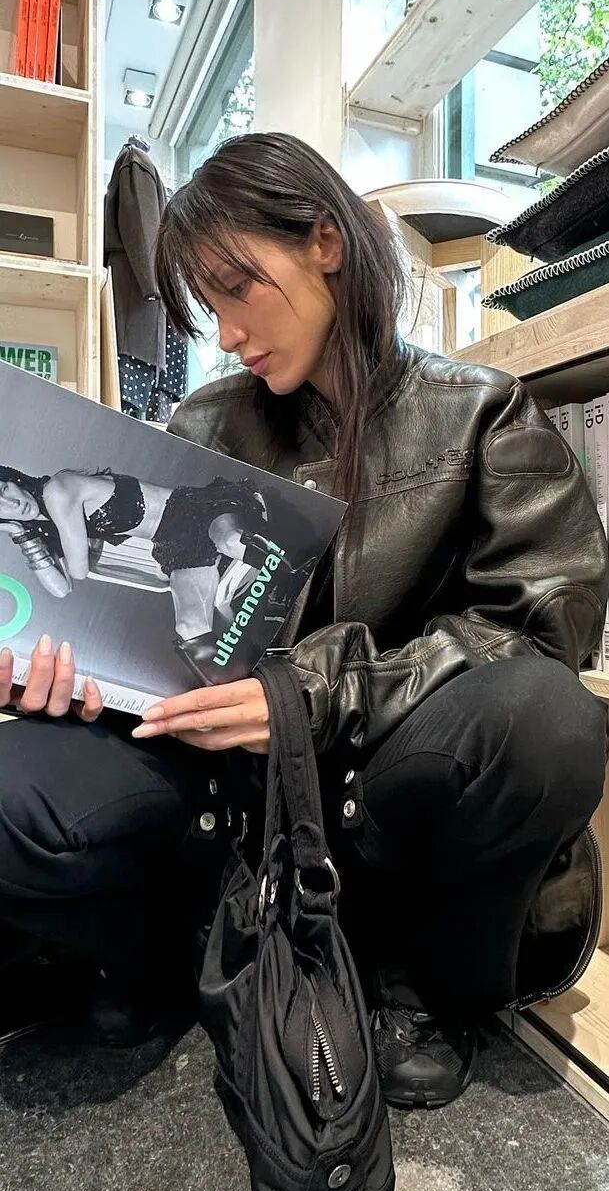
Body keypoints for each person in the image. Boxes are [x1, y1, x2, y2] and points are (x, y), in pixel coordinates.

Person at [0, 132, 607, 1106]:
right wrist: (71, 679)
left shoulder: (481, 414)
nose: (227, 333)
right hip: (219, 802)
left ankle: (420, 985)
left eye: (237, 289)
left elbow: (541, 634)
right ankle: (150, 958)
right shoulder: (203, 424)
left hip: (384, 795)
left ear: (325, 242)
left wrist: (311, 693)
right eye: (209, 307)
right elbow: (158, 647)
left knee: (545, 719)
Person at [0, 467, 298, 679]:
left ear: (13, 479)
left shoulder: (57, 489)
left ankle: (296, 572)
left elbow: (77, 571)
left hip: (196, 510)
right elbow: (60, 589)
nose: (12, 503)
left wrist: (31, 532)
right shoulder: (47, 524)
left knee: (230, 541)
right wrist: (22, 535)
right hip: (175, 545)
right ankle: (242, 684)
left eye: (3, 490)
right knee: (189, 628)